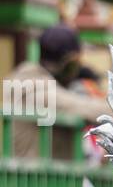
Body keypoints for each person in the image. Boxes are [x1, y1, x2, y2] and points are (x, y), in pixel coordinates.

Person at [2, 24, 106, 160]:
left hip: (31, 177)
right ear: (71, 62)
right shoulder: (31, 87)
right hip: (34, 179)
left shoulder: (25, 80)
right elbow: (84, 109)